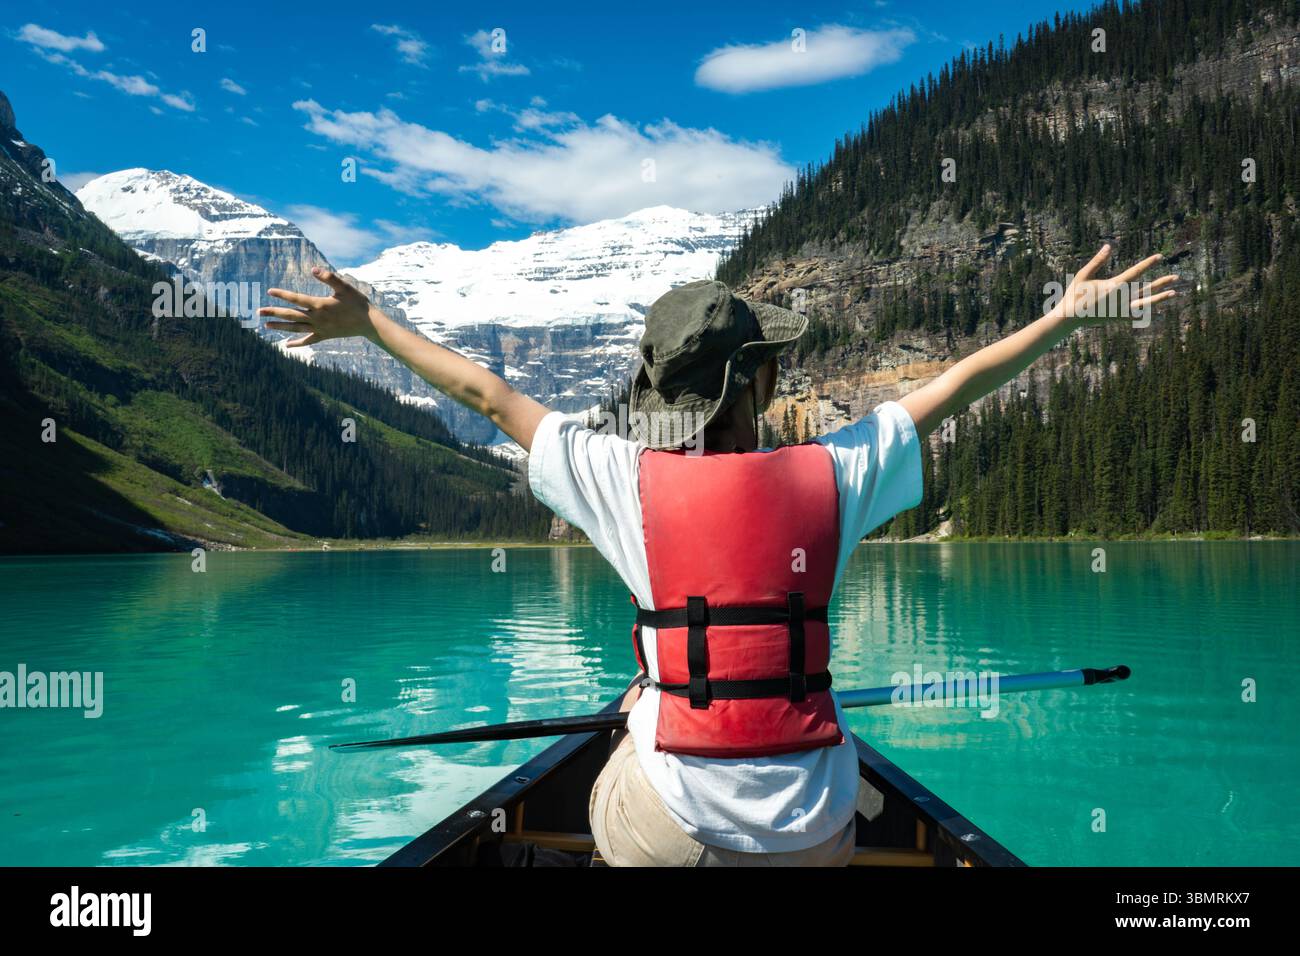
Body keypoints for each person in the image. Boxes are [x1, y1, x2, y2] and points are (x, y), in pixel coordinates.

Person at [259, 243, 1175, 866]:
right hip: (815, 831)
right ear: (760, 380)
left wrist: (369, 322)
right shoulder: (836, 472)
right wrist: (1060, 321)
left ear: (666, 395)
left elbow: (492, 397)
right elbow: (956, 385)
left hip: (675, 832)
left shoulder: (620, 480)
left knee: (630, 739)